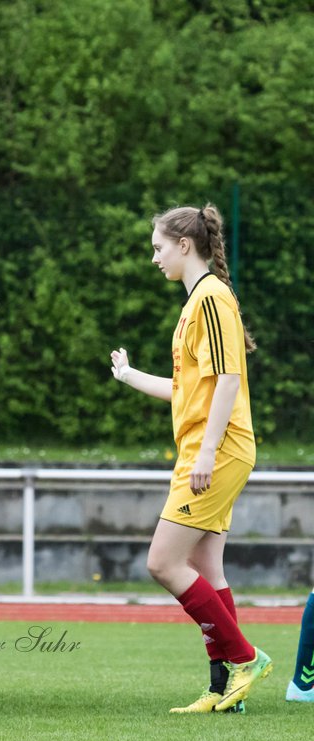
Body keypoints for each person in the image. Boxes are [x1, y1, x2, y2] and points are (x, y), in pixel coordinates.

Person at [110, 203, 270, 713]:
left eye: (158, 247)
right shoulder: (197, 302)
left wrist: (205, 453)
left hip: (217, 451)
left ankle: (245, 659)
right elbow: (188, 388)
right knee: (205, 567)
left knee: (163, 562)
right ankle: (225, 689)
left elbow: (228, 379)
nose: (153, 257)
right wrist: (130, 376)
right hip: (211, 448)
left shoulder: (212, 298)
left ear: (184, 245)